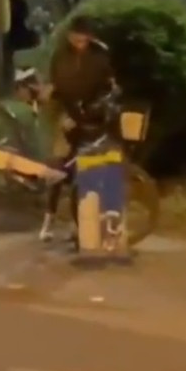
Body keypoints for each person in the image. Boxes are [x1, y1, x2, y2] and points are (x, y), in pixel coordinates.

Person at [39, 15, 117, 242]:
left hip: (93, 118)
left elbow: (108, 90)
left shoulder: (100, 55)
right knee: (57, 168)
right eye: (75, 38)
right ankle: (49, 220)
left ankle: (82, 224)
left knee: (88, 172)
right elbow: (55, 83)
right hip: (67, 115)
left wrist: (88, 113)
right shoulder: (60, 55)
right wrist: (50, 94)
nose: (79, 42)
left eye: (83, 38)